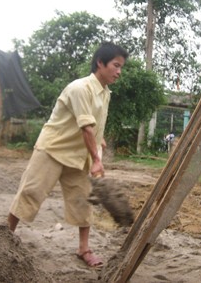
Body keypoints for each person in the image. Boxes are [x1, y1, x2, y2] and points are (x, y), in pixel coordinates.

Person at [7, 42, 128, 267]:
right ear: (100, 63)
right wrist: (97, 160)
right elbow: (86, 128)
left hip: (78, 154)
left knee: (83, 200)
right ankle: (4, 238)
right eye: (116, 65)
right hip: (53, 149)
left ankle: (84, 249)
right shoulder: (80, 88)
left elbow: (94, 124)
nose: (119, 71)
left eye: (121, 67)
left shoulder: (105, 92)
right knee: (30, 192)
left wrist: (98, 142)